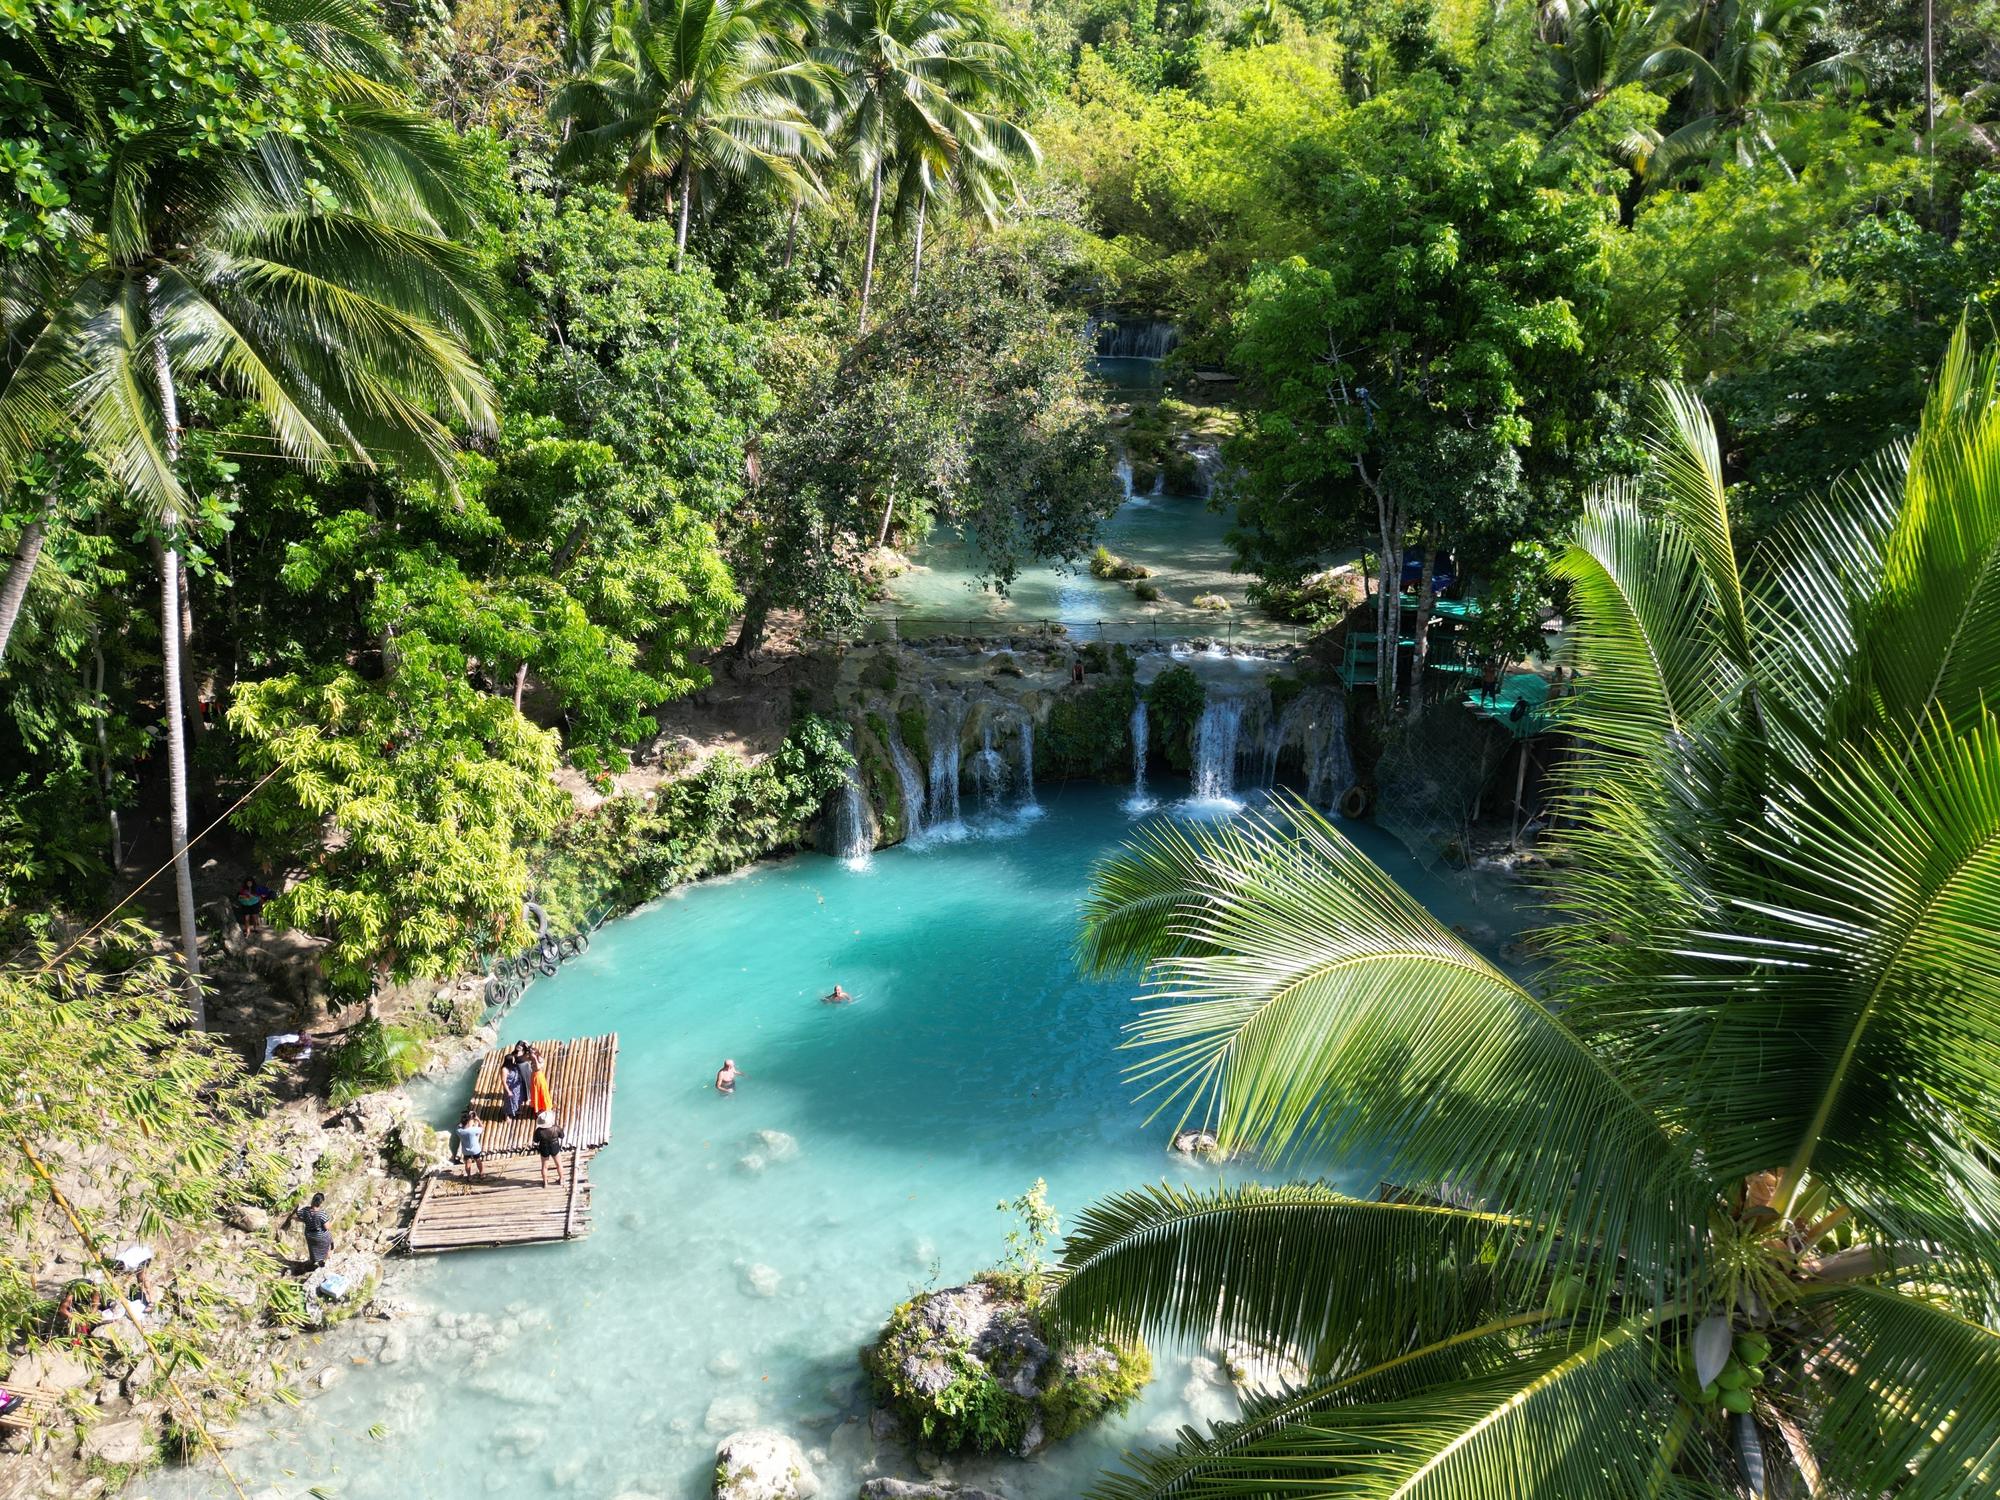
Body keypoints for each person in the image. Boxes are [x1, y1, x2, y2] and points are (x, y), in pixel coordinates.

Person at [289, 1192, 333, 1269]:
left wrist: (294, 1218)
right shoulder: (321, 1214)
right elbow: (327, 1227)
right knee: (328, 1245)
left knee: (313, 1249)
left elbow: (299, 1217)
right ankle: (324, 1262)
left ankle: (313, 1261)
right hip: (320, 1236)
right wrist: (332, 1220)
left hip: (310, 1235)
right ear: (320, 1203)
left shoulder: (305, 1210)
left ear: (312, 1200)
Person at [532, 1110, 566, 1187]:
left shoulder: (539, 1131)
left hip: (544, 1148)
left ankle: (545, 1182)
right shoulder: (556, 1128)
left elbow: (536, 1140)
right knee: (559, 1164)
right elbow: (562, 1136)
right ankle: (561, 1179)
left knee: (544, 1166)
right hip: (554, 1147)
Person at [452, 1110, 485, 1180]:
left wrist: (464, 1121)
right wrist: (478, 1119)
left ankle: (469, 1176)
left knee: (467, 1162)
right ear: (468, 1122)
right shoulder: (473, 1130)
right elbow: (482, 1128)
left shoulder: (459, 1131)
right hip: (475, 1150)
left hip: (466, 1150)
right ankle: (482, 1174)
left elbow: (458, 1125)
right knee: (478, 1160)